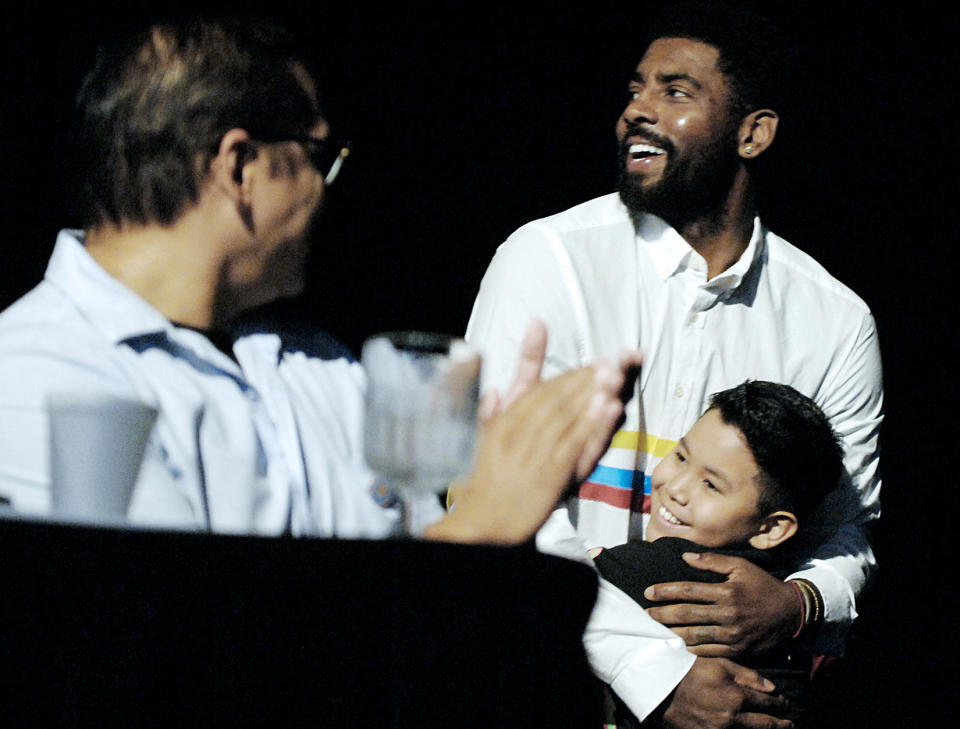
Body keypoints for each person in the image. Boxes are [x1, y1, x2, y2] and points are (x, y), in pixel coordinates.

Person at [0, 14, 637, 548]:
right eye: (319, 158)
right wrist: (479, 531)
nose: (327, 193)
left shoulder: (325, 372)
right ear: (241, 167)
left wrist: (502, 480)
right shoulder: (37, 372)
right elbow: (172, 646)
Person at [465, 1, 882, 725]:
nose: (637, 109)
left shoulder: (834, 320)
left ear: (754, 133)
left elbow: (847, 533)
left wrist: (795, 603)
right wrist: (655, 672)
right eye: (635, 90)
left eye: (675, 90)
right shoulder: (548, 260)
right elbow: (486, 493)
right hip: (544, 685)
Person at [592, 380, 844, 728]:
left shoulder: (651, 570)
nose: (676, 488)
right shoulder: (773, 593)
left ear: (771, 529)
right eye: (680, 457)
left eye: (711, 484)